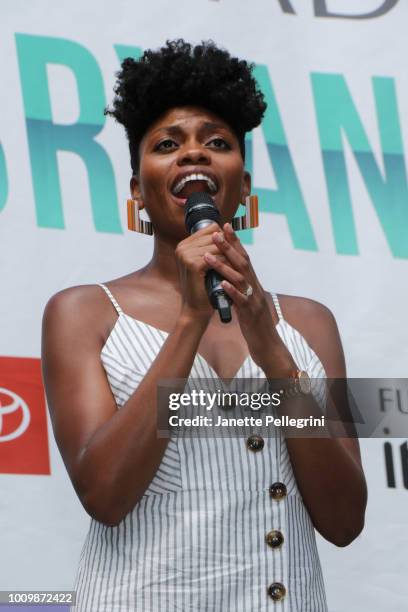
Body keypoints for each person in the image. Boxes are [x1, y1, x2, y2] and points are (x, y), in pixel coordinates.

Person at [41, 39, 367, 611]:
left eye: (217, 143)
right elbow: (105, 494)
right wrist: (191, 319)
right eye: (167, 145)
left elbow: (344, 520)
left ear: (243, 189)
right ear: (139, 193)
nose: (193, 155)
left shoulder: (309, 323)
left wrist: (272, 351)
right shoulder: (83, 312)